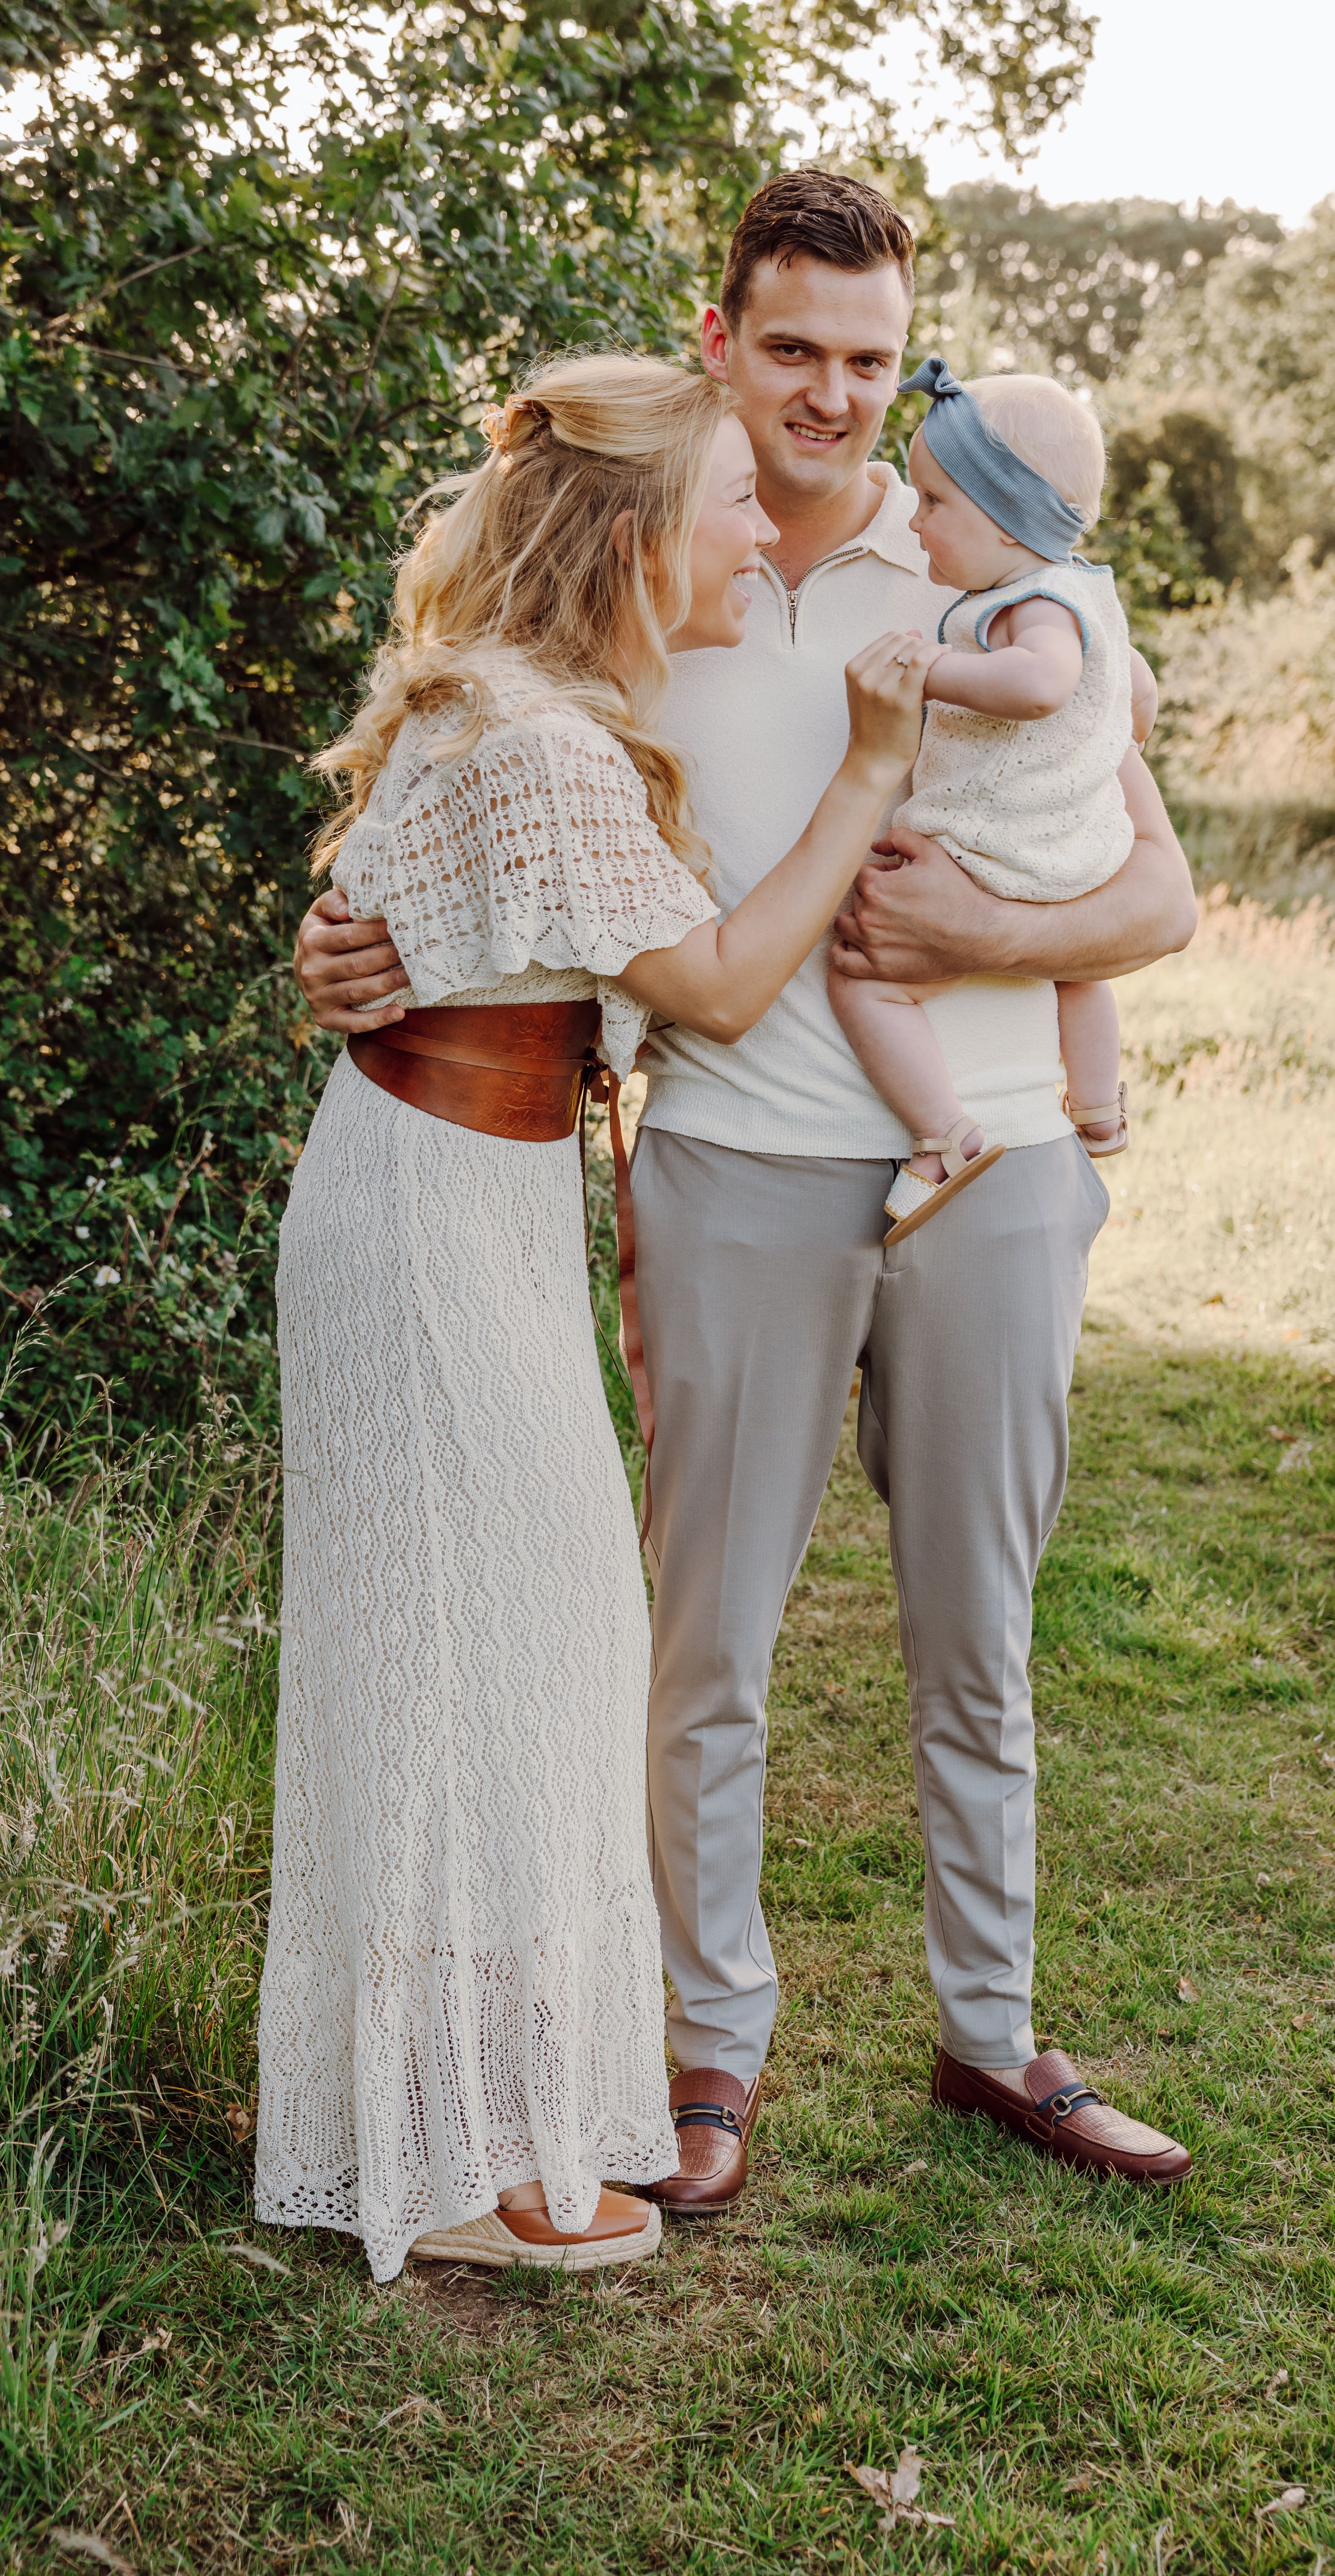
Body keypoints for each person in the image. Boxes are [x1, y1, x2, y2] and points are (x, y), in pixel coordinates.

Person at [294, 173, 1200, 2206]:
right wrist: (352, 947)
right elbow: (466, 808)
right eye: (791, 348)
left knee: (982, 1634)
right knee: (702, 1641)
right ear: (721, 339)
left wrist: (968, 938)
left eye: (870, 361)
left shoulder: (984, 567)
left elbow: (1156, 888)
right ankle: (699, 2055)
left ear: (908, 367)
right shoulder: (646, 577)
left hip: (994, 1172)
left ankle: (993, 2039)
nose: (831, 395)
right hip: (728, 1162)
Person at [255, 348, 930, 2282]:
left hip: (448, 1202)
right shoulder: (540, 738)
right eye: (728, 500)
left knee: (498, 1649)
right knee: (506, 1655)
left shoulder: (526, 713)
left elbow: (439, 949)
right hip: (432, 1220)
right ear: (640, 531)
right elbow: (711, 986)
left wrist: (337, 962)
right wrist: (873, 774)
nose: (753, 525)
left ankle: (459, 2117)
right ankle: (465, 2162)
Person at [830, 359, 1151, 1246]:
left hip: (989, 845)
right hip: (1078, 851)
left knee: (862, 976)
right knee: (1078, 967)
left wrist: (938, 669)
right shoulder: (1087, 590)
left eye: (936, 503)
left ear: (1009, 517)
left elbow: (1044, 683)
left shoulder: (1031, 604)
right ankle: (1098, 1109)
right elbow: (1137, 693)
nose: (918, 518)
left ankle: (944, 1136)